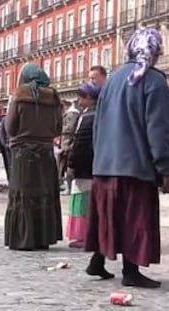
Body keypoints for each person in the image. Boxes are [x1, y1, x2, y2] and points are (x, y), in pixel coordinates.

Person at [85, 28, 169, 289]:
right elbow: (158, 128)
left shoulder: (112, 78)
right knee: (134, 219)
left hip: (106, 163)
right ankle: (131, 272)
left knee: (108, 214)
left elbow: (98, 123)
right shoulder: (153, 80)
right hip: (135, 165)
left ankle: (97, 261)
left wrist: (99, 157)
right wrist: (164, 165)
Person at [4, 63, 62, 251]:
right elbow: (58, 128)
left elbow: (10, 127)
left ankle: (23, 238)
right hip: (45, 152)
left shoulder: (19, 97)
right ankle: (42, 238)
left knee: (23, 195)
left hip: (23, 153)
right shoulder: (53, 98)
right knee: (43, 195)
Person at [66, 82, 101, 249]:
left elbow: (81, 143)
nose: (78, 102)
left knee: (82, 200)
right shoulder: (94, 113)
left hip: (84, 166)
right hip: (93, 164)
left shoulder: (88, 116)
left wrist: (71, 163)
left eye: (80, 98)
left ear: (88, 98)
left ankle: (83, 234)